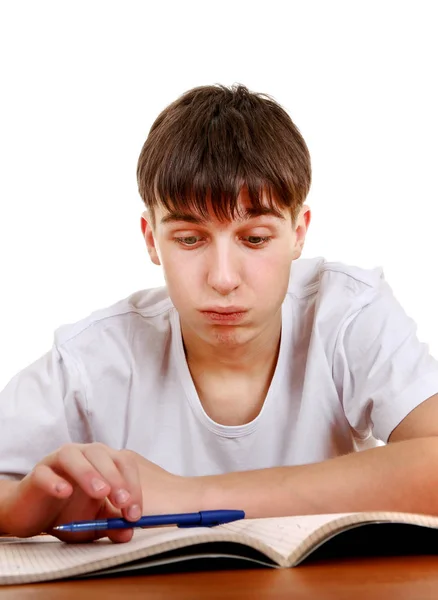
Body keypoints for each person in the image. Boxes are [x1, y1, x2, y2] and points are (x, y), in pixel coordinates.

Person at [1, 84, 438, 544]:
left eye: (254, 239)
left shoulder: (347, 310)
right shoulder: (93, 358)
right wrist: (13, 509)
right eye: (190, 239)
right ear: (152, 239)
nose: (224, 279)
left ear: (298, 233)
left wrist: (186, 497)